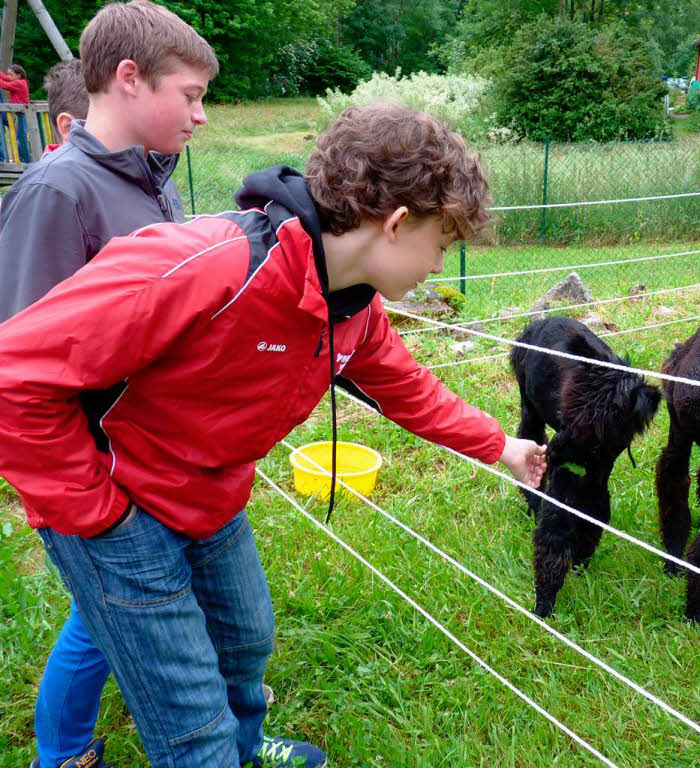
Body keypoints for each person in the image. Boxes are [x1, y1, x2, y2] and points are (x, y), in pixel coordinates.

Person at [0, 102, 549, 768]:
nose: (440, 264)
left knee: (246, 638)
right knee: (189, 720)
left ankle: (244, 741)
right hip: (121, 506)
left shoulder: (351, 308)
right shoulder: (205, 265)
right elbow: (13, 374)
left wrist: (501, 445)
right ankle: (206, 750)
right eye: (443, 243)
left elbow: (409, 390)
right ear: (398, 225)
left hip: (213, 495)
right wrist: (95, 513)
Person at [0, 4, 217, 767]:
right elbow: (19, 366)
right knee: (103, 620)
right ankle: (58, 755)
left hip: (155, 459)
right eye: (189, 95)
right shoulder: (60, 193)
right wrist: (90, 499)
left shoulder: (152, 182)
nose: (200, 114)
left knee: (108, 618)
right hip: (100, 475)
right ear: (128, 79)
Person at [0, 64, 31, 161]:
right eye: (8, 74)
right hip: (19, 114)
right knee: (19, 137)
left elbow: (4, 84)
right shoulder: (17, 80)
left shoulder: (19, 83)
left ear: (18, 75)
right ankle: (21, 158)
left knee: (21, 138)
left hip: (21, 114)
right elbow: (4, 78)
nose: (8, 77)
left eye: (11, 74)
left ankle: (25, 160)